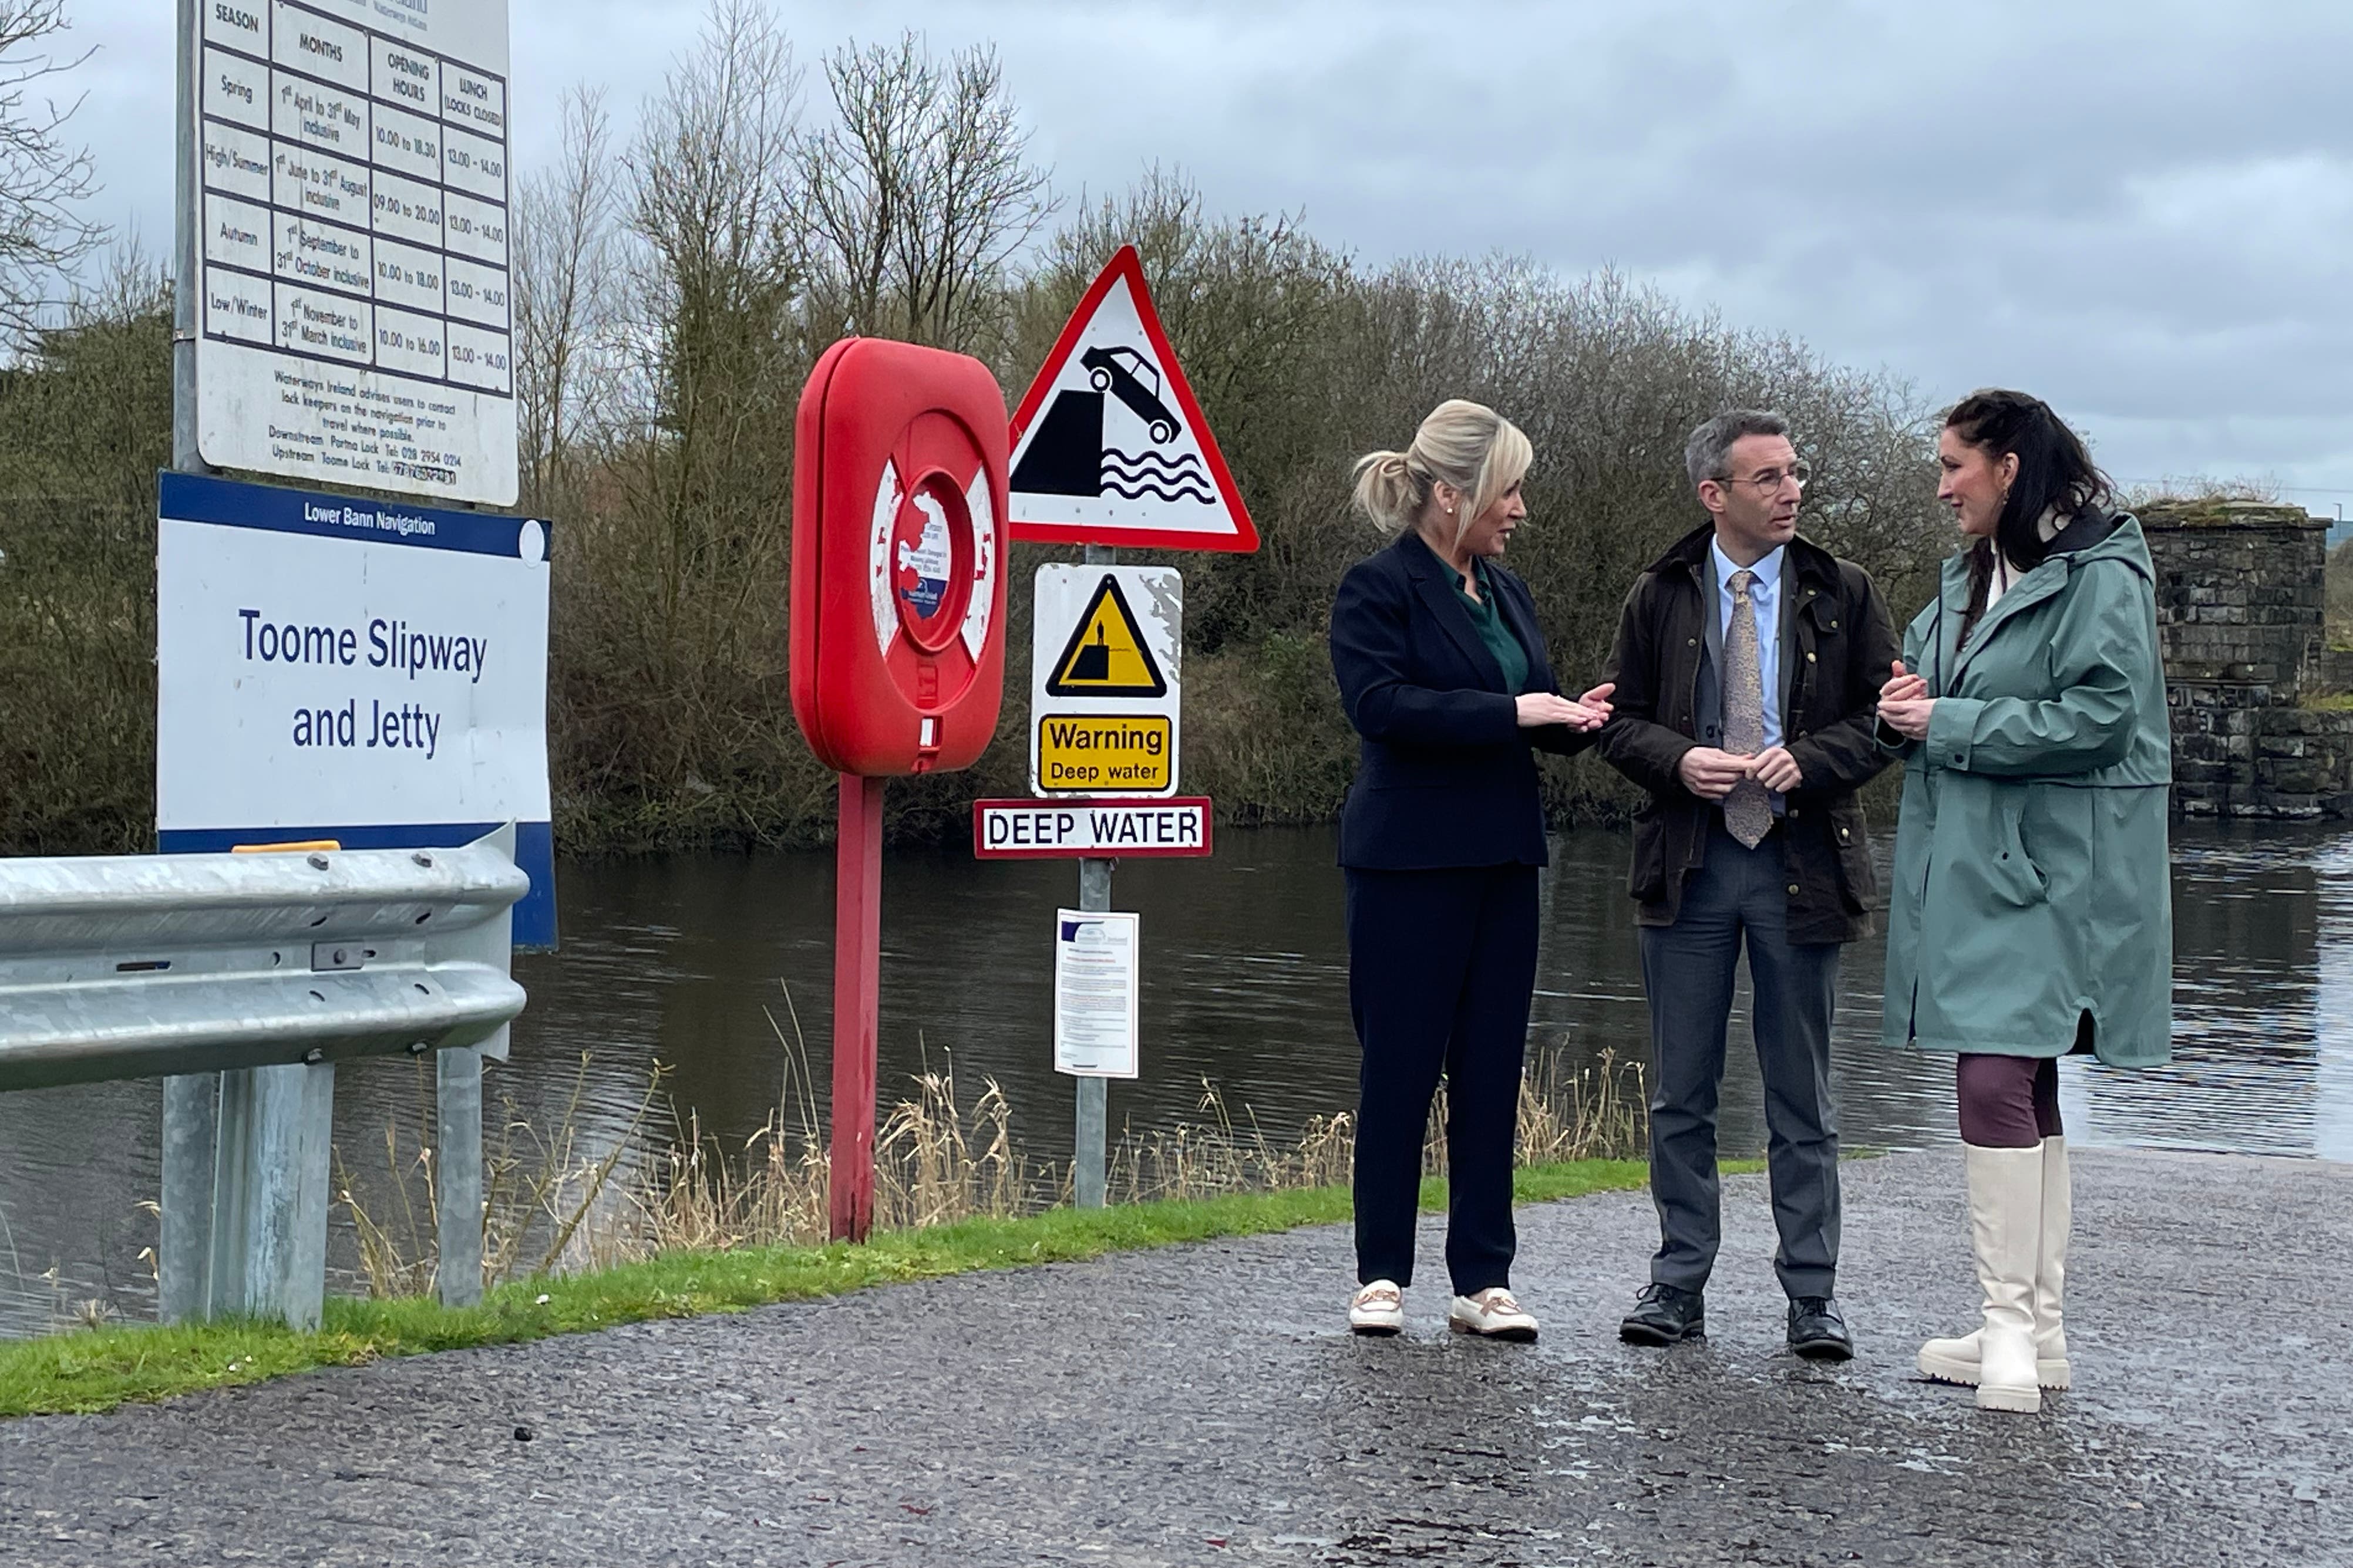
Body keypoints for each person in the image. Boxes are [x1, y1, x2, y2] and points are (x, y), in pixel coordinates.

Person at [1876, 389, 2172, 1415]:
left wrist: (1945, 721)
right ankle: (2036, 1332)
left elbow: (2099, 718)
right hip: (1983, 874)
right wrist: (1900, 707)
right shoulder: (1971, 581)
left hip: (2058, 876)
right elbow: (1927, 689)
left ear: (2009, 467)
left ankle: (2007, 1332)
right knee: (2021, 1075)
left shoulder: (2103, 575)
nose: (1943, 484)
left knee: (1994, 1072)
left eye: (1956, 463)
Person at [1595, 410, 1900, 1361]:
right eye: (1768, 478)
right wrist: (1680, 760)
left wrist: (1806, 760)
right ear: (1713, 493)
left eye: (1796, 474)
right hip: (1688, 868)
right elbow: (1615, 720)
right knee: (1680, 1093)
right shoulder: (1659, 593)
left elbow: (1888, 723)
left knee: (1800, 1094)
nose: (1792, 492)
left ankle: (1813, 1297)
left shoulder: (1844, 590)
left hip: (1802, 869)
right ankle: (1677, 1285)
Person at [1329, 398, 1614, 1341]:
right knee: (1401, 1073)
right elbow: (1384, 708)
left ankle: (1484, 1281)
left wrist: (1573, 716)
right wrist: (1519, 714)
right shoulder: (1377, 589)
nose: (1521, 508)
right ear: (1449, 495)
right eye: (1509, 489)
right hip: (1407, 865)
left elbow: (1523, 710)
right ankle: (1380, 1277)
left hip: (1504, 859)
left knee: (1491, 1074)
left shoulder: (1511, 594)